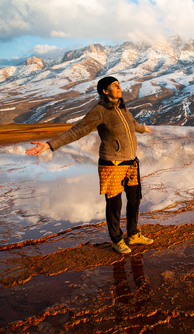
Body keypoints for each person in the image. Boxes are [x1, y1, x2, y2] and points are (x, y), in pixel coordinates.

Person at [26, 76, 153, 254]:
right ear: (104, 91)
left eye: (119, 84)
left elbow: (131, 123)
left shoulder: (122, 108)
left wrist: (142, 128)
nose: (119, 87)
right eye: (114, 85)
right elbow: (77, 130)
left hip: (131, 163)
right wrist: (49, 144)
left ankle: (133, 234)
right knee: (114, 204)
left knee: (134, 200)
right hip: (112, 164)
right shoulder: (99, 111)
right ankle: (117, 240)